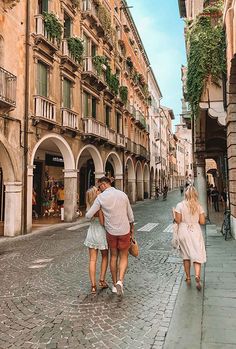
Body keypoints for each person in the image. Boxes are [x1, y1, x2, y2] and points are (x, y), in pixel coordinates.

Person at [85, 176, 134, 296]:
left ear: (103, 184)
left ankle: (114, 283)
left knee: (113, 256)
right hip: (124, 230)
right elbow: (131, 216)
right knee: (123, 256)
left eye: (99, 186)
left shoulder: (101, 197)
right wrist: (132, 229)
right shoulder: (123, 194)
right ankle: (120, 281)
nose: (99, 189)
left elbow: (88, 215)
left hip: (111, 232)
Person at [173, 186, 206, 291]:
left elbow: (178, 220)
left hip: (183, 230)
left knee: (186, 256)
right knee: (198, 254)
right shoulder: (199, 206)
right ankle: (197, 275)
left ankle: (188, 277)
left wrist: (173, 215)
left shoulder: (180, 205)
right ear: (195, 194)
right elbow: (202, 222)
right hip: (195, 230)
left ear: (185, 194)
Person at [84, 186, 108, 295]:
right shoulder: (100, 207)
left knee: (92, 260)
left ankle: (93, 286)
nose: (99, 190)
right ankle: (102, 280)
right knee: (104, 257)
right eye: (97, 190)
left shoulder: (89, 206)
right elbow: (103, 222)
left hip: (91, 233)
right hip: (101, 233)